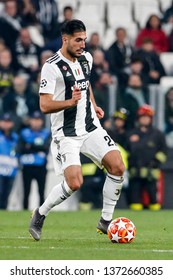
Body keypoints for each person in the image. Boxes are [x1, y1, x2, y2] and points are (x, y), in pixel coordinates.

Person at [29, 19, 125, 241]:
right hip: (66, 133)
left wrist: (92, 104)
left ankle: (106, 221)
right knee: (74, 183)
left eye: (84, 39)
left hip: (91, 127)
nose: (83, 44)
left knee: (118, 165)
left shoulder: (87, 59)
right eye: (78, 40)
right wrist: (69, 103)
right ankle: (40, 213)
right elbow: (44, 105)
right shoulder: (51, 67)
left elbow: (85, 83)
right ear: (65, 40)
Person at [126, 104, 167, 210]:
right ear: (138, 119)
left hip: (151, 172)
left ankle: (156, 221)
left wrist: (156, 161)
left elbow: (164, 151)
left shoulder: (157, 134)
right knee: (135, 199)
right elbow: (125, 151)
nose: (144, 119)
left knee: (153, 198)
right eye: (142, 117)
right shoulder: (131, 133)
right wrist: (129, 162)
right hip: (134, 172)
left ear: (151, 119)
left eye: (146, 117)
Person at [18, 111, 50, 209]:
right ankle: (24, 210)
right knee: (26, 191)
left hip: (41, 166)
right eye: (34, 120)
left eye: (38, 120)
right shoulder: (24, 132)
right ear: (30, 121)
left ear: (41, 121)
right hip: (27, 166)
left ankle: (41, 213)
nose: (36, 122)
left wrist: (30, 146)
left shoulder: (46, 133)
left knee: (41, 191)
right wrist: (38, 147)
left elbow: (46, 148)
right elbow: (21, 148)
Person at [0, 113, 18, 209]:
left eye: (8, 122)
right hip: (0, 170)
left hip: (11, 171)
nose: (6, 124)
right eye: (4, 122)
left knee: (7, 194)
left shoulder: (15, 137)